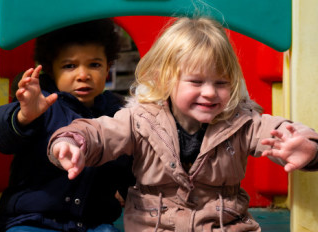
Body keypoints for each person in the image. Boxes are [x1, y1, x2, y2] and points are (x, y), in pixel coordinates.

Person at [47, 17, 318, 232]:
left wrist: (307, 147)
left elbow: (277, 130)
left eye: (221, 83)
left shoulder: (241, 121)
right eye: (197, 82)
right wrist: (73, 141)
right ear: (165, 79)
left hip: (225, 225)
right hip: (155, 226)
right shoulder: (140, 119)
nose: (210, 92)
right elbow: (101, 132)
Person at [0, 19, 135, 232]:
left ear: (108, 67)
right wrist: (23, 117)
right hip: (33, 220)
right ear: (52, 70)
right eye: (69, 66)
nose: (83, 75)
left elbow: (129, 167)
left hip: (94, 223)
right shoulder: (41, 104)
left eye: (95, 64)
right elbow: (3, 136)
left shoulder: (117, 113)